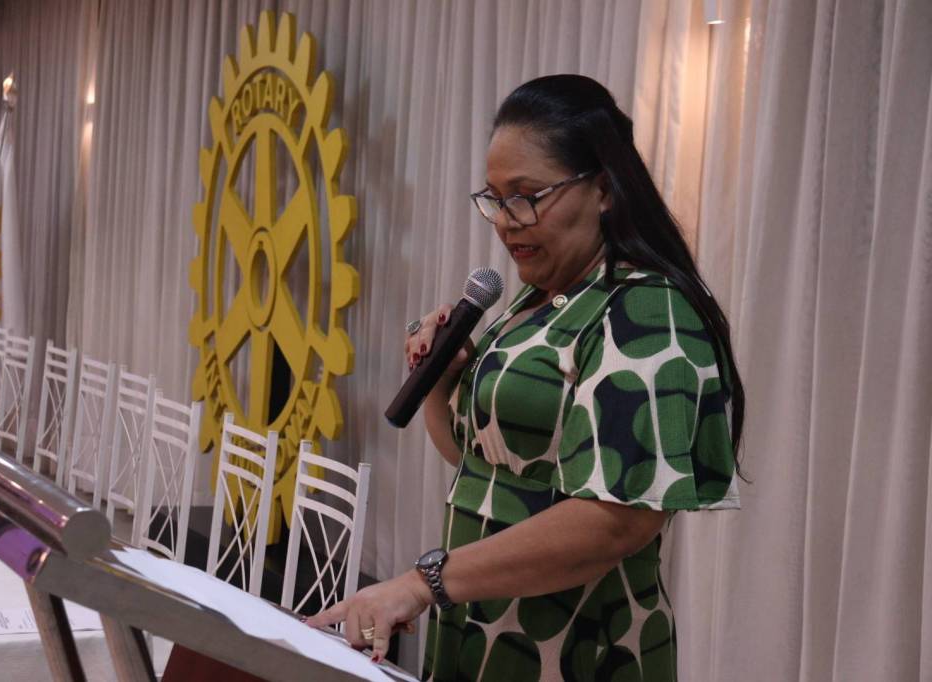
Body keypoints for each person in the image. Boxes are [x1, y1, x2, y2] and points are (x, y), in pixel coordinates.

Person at [308, 74, 744, 681]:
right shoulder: (536, 300)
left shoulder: (645, 311)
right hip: (482, 631)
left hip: (575, 650)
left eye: (526, 195)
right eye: (494, 198)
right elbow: (483, 467)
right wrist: (442, 380)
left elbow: (616, 519)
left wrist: (423, 582)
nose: (506, 221)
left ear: (603, 188)